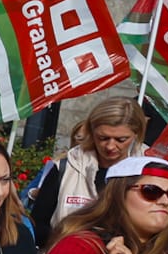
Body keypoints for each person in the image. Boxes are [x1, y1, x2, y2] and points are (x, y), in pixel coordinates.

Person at [28, 97, 146, 241]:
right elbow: (37, 225)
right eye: (103, 138)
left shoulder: (148, 171)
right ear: (91, 131)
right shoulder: (66, 167)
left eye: (121, 140)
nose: (110, 146)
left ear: (137, 134)